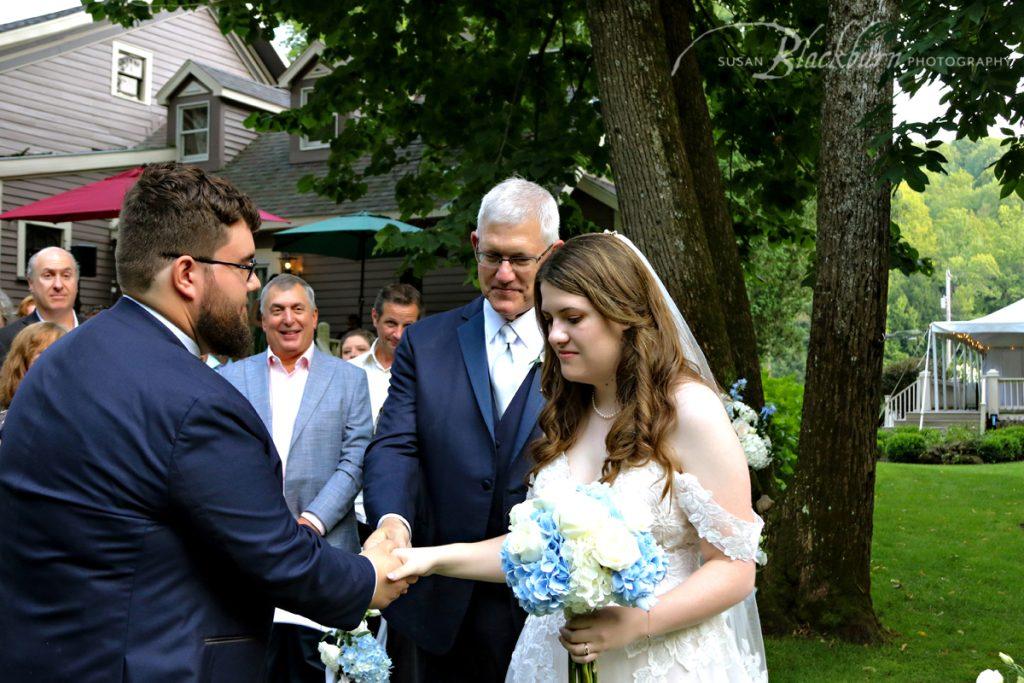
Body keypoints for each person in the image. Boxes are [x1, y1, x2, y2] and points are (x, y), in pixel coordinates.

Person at [0, 163, 408, 683]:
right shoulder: (194, 403)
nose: (253, 283)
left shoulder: (58, 362)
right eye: (243, 266)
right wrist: (369, 575)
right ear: (188, 274)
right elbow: (277, 557)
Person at [391, 233, 768, 682]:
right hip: (552, 657)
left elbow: (734, 568)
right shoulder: (569, 410)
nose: (555, 336)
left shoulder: (689, 410)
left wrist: (640, 623)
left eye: (573, 318)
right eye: (548, 319)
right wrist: (432, 559)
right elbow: (531, 549)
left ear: (624, 314)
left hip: (663, 659)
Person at [362, 177, 562, 682]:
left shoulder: (577, 343)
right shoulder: (426, 343)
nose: (503, 274)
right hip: (435, 603)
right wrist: (392, 522)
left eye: (521, 259)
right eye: (491, 256)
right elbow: (395, 445)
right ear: (475, 244)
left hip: (544, 604)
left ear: (554, 254)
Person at [220, 273, 374, 683]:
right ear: (262, 320)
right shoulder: (231, 379)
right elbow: (223, 461)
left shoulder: (349, 379)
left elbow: (356, 457)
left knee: (317, 671)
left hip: (326, 550)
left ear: (313, 316)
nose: (288, 319)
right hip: (252, 552)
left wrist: (313, 520)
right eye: (277, 310)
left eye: (297, 309)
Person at [351, 283, 423, 424]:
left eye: (408, 326)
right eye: (391, 323)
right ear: (375, 318)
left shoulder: (428, 374)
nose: (398, 334)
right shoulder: (350, 370)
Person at [0, 247, 79, 362]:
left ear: (76, 282)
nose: (58, 285)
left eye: (66, 275)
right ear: (31, 283)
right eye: (48, 275)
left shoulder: (97, 333)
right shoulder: (7, 340)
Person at [0, 321, 66, 427]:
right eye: (41, 359)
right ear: (21, 366)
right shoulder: (6, 423)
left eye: (58, 359)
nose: (51, 367)